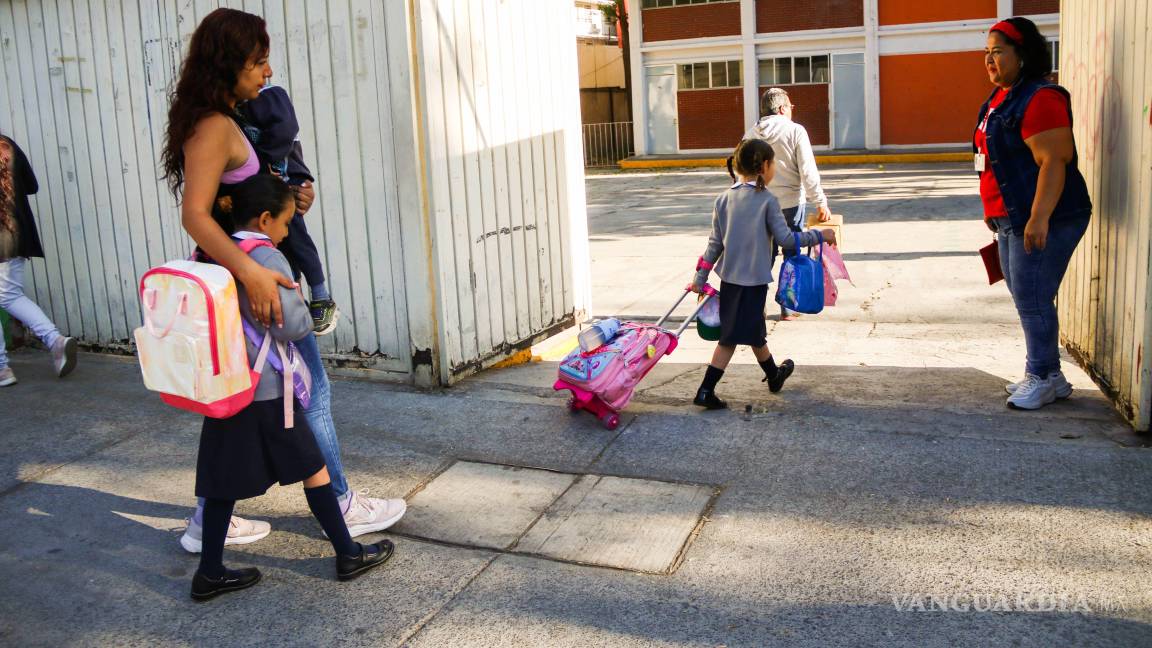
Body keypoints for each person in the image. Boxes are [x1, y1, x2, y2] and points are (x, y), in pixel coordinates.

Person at [160, 8, 404, 554]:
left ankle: (208, 521)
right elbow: (196, 214)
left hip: (245, 278)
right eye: (258, 61)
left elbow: (245, 195)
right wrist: (251, 273)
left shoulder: (230, 118)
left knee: (237, 400)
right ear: (229, 64)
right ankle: (338, 502)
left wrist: (292, 193)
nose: (267, 73)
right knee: (308, 389)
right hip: (246, 282)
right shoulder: (213, 126)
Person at [190, 174, 392, 600]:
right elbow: (294, 325)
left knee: (221, 480)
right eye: (285, 223)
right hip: (266, 389)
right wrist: (300, 302)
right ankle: (347, 553)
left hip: (226, 381)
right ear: (265, 219)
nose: (286, 233)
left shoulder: (211, 252)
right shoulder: (266, 257)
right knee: (315, 468)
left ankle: (209, 570)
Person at [975, 17, 1092, 410]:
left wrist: (1039, 217)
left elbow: (1054, 161)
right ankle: (1052, 375)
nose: (990, 60)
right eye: (987, 53)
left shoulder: (1041, 97)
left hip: (1046, 216)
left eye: (998, 52)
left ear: (1022, 55)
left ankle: (1040, 376)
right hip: (1010, 218)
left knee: (1033, 296)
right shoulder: (999, 99)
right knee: (1028, 295)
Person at [690, 139, 837, 409]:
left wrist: (700, 278)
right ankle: (706, 390)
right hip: (754, 282)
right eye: (774, 166)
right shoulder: (768, 201)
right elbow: (787, 240)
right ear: (765, 167)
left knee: (751, 333)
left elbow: (714, 244)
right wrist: (819, 234)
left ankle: (773, 376)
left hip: (731, 281)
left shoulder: (724, 198)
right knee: (733, 338)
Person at [239, 85, 340, 335]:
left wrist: (266, 161)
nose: (267, 71)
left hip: (286, 178)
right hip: (270, 184)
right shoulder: (229, 109)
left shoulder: (268, 96)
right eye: (260, 62)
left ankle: (320, 295)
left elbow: (285, 130)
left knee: (294, 235)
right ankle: (299, 296)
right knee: (286, 245)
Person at [743, 87, 832, 320]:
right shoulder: (795, 131)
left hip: (759, 204)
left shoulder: (750, 134)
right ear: (782, 108)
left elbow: (742, 172)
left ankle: (756, 306)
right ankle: (788, 308)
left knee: (763, 257)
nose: (792, 111)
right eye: (791, 107)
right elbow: (808, 171)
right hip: (791, 204)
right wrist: (820, 202)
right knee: (792, 254)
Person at [0, 133, 77, 386]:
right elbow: (31, 186)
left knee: (8, 296)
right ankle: (54, 341)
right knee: (10, 295)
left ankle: (3, 368)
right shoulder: (6, 143)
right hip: (18, 233)